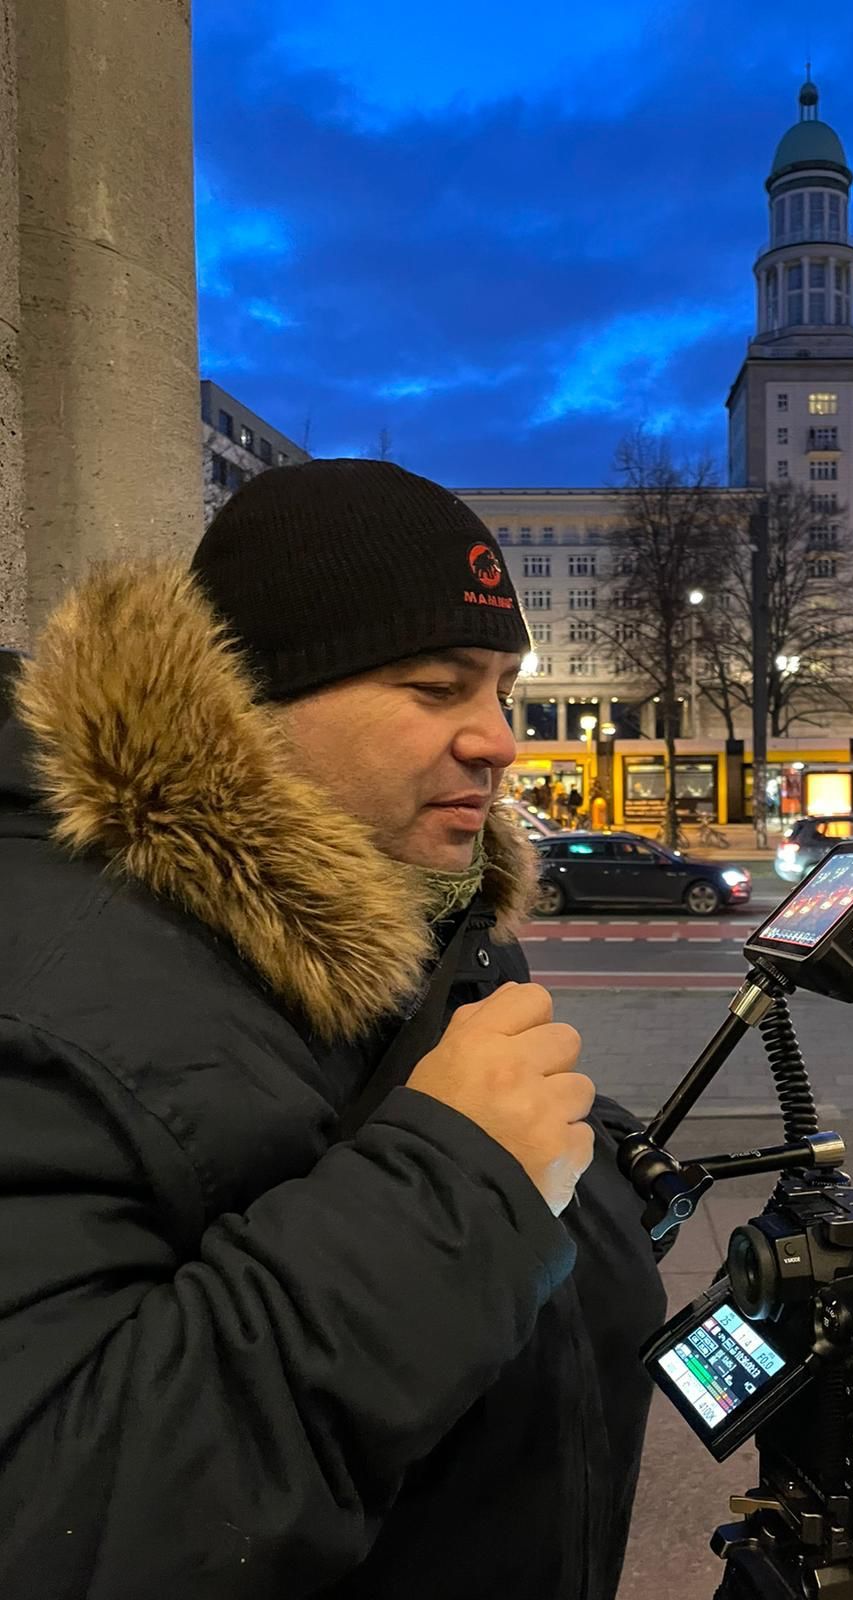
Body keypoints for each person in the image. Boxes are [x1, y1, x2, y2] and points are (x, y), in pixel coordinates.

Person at [0, 459, 668, 1600]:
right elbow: (58, 1523)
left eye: (502, 686)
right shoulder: (47, 985)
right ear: (251, 697)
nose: (500, 738)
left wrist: (603, 1184)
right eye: (438, 684)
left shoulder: (419, 912)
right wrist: (462, 1184)